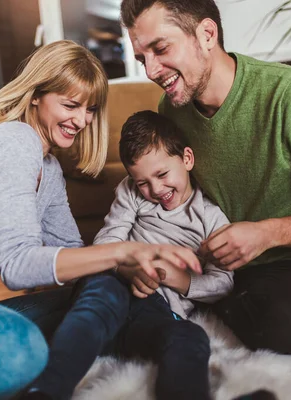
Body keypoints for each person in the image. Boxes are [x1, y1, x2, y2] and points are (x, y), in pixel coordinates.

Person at [0, 40, 200, 400]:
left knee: (106, 302)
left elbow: (73, 259)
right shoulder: (13, 141)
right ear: (36, 95)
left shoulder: (48, 168)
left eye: (90, 110)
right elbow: (17, 266)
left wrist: (128, 273)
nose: (81, 120)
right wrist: (121, 252)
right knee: (15, 347)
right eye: (70, 105)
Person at [120, 0, 291, 356]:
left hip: (281, 260)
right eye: (141, 58)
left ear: (207, 34)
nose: (151, 70)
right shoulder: (172, 109)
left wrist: (265, 233)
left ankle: (212, 301)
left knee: (284, 332)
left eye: (161, 48)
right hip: (201, 258)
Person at [29, 110, 233, 400]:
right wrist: (127, 266)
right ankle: (44, 392)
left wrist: (180, 280)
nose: (156, 189)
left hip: (156, 310)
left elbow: (224, 282)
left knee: (190, 337)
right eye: (143, 182)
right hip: (112, 285)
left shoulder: (211, 218)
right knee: (95, 308)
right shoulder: (131, 192)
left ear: (187, 159)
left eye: (162, 174)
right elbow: (108, 241)